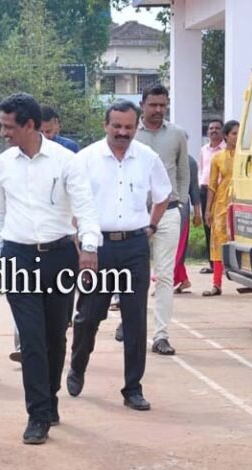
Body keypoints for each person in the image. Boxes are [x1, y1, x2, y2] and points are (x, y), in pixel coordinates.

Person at [0, 93, 98, 445]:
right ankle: (37, 415)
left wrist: (89, 248)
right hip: (18, 257)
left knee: (55, 336)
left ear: (30, 125)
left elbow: (85, 207)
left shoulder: (67, 161)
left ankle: (49, 399)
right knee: (31, 338)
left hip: (59, 257)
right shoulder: (1, 165)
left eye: (8, 126)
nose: (3, 132)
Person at [66, 100, 172, 411]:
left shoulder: (148, 158)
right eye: (117, 126)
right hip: (98, 247)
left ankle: (133, 388)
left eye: (128, 127)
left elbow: (163, 195)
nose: (122, 132)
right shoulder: (85, 159)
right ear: (105, 125)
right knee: (88, 317)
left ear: (136, 127)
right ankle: (77, 366)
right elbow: (72, 205)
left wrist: (151, 227)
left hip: (134, 247)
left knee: (135, 319)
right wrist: (82, 242)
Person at [127, 84, 190, 356]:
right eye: (153, 105)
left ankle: (161, 335)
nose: (158, 110)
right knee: (133, 274)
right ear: (142, 104)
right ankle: (129, 323)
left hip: (169, 212)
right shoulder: (129, 132)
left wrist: (181, 203)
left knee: (164, 275)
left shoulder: (176, 134)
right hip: (135, 215)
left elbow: (184, 172)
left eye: (163, 105)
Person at [203, 121, 239, 297]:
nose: (237, 137)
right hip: (222, 202)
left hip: (242, 200)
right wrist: (208, 209)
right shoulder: (217, 158)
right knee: (218, 240)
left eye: (239, 133)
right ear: (226, 136)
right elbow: (212, 185)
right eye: (234, 133)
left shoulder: (246, 155)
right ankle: (216, 284)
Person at [173, 148, 203, 294]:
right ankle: (183, 280)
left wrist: (197, 214)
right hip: (162, 209)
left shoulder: (190, 162)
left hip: (180, 209)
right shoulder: (163, 158)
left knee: (175, 247)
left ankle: (165, 282)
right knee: (166, 246)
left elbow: (194, 191)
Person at [198, 119, 226, 275]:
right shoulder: (204, 150)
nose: (213, 130)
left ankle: (223, 263)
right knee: (208, 226)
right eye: (211, 128)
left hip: (220, 192)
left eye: (217, 128)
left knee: (221, 227)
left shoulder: (226, 150)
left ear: (222, 131)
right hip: (204, 190)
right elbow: (202, 170)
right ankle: (212, 264)